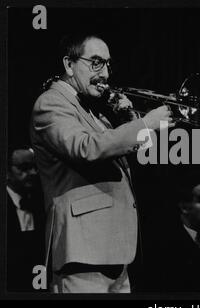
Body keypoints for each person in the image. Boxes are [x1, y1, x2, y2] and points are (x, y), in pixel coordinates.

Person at [30, 33, 174, 293]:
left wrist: (130, 116)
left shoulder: (93, 112)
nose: (105, 73)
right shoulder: (51, 103)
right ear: (68, 64)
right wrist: (145, 123)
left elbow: (142, 152)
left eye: (108, 64)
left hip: (114, 251)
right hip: (83, 253)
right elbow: (86, 148)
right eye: (96, 63)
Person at [6, 146, 46, 292]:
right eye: (24, 167)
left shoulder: (41, 203)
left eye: (34, 167)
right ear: (6, 172)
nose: (33, 173)